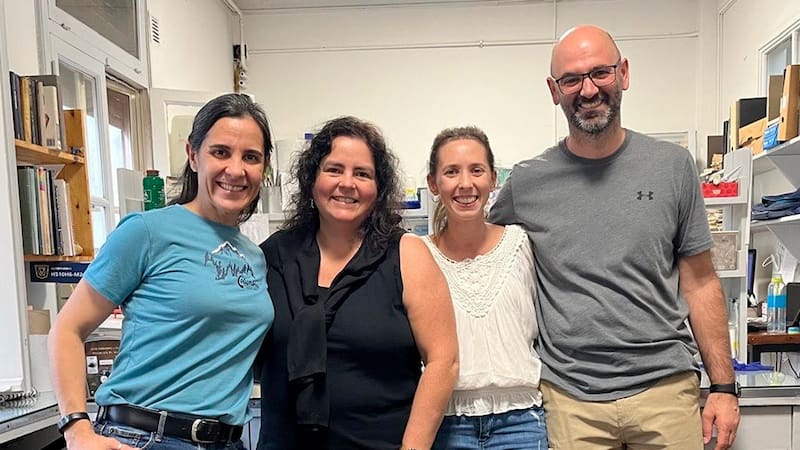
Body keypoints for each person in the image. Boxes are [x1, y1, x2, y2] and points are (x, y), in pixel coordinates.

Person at [489, 25, 740, 450]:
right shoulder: (528, 182)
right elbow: (481, 255)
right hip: (570, 398)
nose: (587, 90)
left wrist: (724, 387)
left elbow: (700, 282)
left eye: (600, 73)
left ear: (624, 73)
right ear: (554, 90)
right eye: (571, 79)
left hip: (665, 388)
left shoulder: (673, 167)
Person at [48, 93, 275, 450]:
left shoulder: (254, 256)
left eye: (251, 157)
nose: (236, 169)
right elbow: (67, 328)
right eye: (220, 152)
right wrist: (76, 429)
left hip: (226, 441)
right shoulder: (146, 232)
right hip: (145, 436)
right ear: (193, 155)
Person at [257, 116, 458, 450]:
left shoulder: (406, 254)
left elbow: (443, 360)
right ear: (312, 180)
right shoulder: (274, 256)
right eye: (334, 169)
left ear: (378, 188)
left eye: (362, 173)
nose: (346, 183)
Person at [423, 126, 548, 450]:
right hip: (447, 423)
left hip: (520, 421)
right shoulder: (418, 255)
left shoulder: (522, 244)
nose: (465, 184)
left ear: (493, 179)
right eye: (451, 172)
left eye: (476, 170)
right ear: (434, 184)